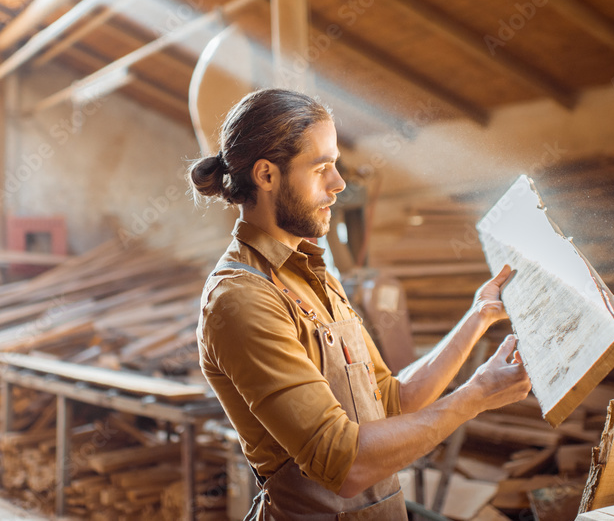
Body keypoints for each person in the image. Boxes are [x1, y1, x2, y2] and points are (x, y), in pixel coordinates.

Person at [188, 89, 531, 520]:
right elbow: (343, 464)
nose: (338, 183)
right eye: (321, 168)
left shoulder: (315, 275)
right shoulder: (242, 298)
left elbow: (392, 400)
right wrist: (476, 396)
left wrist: (478, 316)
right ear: (266, 175)